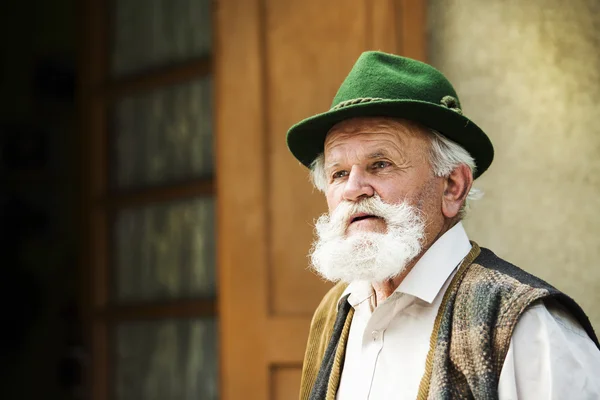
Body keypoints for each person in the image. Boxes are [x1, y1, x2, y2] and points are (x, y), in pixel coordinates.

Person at [286, 51, 600, 400]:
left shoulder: (529, 328)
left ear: (452, 186)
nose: (352, 189)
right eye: (339, 173)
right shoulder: (334, 312)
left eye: (380, 164)